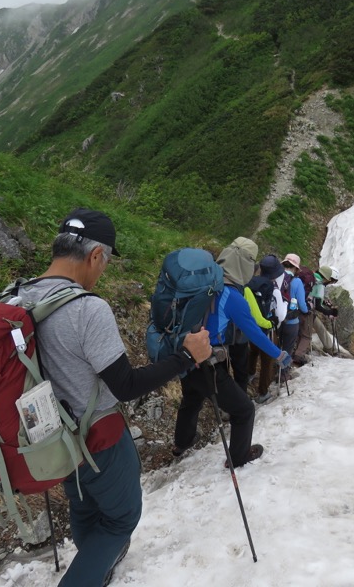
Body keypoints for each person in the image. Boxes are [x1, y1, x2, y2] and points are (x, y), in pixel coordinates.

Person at [13, 208, 212, 587]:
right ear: (94, 256)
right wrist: (187, 356)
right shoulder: (87, 308)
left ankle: (95, 562)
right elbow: (125, 385)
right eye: (104, 262)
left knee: (83, 503)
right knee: (121, 519)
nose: (101, 271)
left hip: (50, 437)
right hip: (98, 436)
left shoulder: (17, 296)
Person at [173, 237, 292, 468]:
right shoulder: (231, 295)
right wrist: (279, 355)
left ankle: (181, 444)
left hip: (184, 354)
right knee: (245, 410)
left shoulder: (203, 283)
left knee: (191, 399)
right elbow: (255, 333)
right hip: (208, 361)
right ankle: (238, 457)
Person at [245, 254, 286, 404]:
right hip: (268, 330)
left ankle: (249, 374)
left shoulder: (251, 283)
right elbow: (280, 315)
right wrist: (286, 306)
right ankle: (263, 392)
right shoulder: (274, 290)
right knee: (267, 361)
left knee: (253, 351)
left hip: (251, 329)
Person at [294, 265, 340, 361]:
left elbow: (315, 298)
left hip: (297, 306)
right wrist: (329, 312)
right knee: (308, 334)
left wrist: (328, 306)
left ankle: (329, 348)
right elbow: (318, 305)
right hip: (307, 310)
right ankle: (330, 350)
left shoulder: (310, 278)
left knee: (316, 328)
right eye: (331, 281)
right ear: (328, 278)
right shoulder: (319, 284)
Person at [278, 253, 308, 362]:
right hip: (291, 321)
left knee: (276, 348)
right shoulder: (297, 282)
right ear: (295, 268)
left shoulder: (277, 277)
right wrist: (307, 310)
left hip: (276, 319)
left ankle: (272, 372)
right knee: (287, 349)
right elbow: (302, 304)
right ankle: (284, 373)